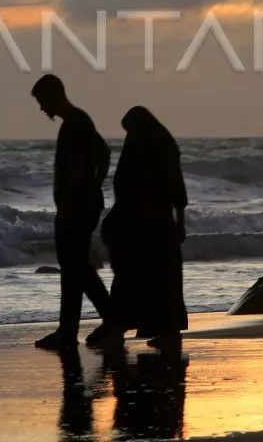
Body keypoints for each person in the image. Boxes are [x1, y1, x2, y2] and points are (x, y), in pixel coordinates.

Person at [30, 74, 116, 350]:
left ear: (55, 95)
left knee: (75, 269)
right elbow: (103, 153)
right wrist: (96, 185)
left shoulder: (76, 123)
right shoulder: (77, 121)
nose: (42, 108)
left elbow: (91, 162)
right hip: (81, 205)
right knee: (77, 269)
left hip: (77, 208)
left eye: (43, 101)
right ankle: (98, 323)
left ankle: (75, 330)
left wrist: (82, 194)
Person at [100, 106, 189, 349]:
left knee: (138, 279)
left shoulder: (155, 148)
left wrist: (180, 222)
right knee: (159, 281)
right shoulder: (159, 144)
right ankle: (162, 332)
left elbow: (174, 189)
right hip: (149, 225)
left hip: (149, 226)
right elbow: (175, 190)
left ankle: (123, 330)